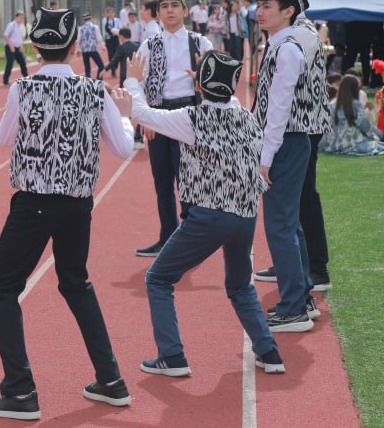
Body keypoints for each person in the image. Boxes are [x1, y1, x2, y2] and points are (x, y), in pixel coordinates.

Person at [0, 8, 134, 420]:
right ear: (74, 48)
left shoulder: (23, 88)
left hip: (33, 203)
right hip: (78, 205)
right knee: (76, 284)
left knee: (2, 290)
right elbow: (123, 149)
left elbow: (4, 137)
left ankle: (20, 391)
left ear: (35, 47)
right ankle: (111, 380)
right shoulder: (95, 90)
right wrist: (125, 116)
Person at [114, 50, 286, 379]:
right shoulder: (248, 118)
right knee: (240, 287)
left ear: (198, 85)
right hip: (245, 215)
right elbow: (223, 104)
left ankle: (172, 356)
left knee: (158, 279)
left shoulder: (191, 118)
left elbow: (142, 113)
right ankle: (269, 353)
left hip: (209, 215)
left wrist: (133, 81)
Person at [252, 0, 325, 333]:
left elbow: (279, 108)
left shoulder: (289, 48)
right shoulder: (281, 45)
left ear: (288, 11)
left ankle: (293, 307)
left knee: (280, 226)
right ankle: (302, 297)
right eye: (259, 5)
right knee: (290, 224)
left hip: (287, 142)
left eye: (267, 6)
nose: (260, 12)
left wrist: (265, 159)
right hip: (288, 141)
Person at [133, 0, 213, 257]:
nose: (170, 10)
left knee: (188, 178)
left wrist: (201, 81)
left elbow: (217, 83)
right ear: (157, 13)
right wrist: (145, 117)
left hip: (188, 113)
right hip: (158, 114)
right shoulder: (148, 45)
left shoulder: (200, 43)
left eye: (175, 5)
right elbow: (138, 82)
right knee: (162, 181)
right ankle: (167, 237)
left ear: (185, 11)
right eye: (164, 6)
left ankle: (190, 239)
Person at [320, 74, 384, 156]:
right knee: (381, 139)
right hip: (353, 142)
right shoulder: (355, 105)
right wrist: (374, 138)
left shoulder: (331, 105)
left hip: (334, 144)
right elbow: (365, 126)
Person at [2, 11, 28, 85]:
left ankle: (26, 78)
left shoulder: (21, 26)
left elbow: (20, 37)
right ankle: (5, 81)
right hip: (10, 47)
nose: (21, 19)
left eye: (23, 18)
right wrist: (11, 46)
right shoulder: (11, 25)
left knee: (23, 63)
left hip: (17, 48)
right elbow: (5, 36)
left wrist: (21, 45)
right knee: (10, 64)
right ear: (16, 17)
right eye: (20, 18)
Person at [77, 13, 105, 80]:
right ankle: (98, 80)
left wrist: (78, 49)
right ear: (91, 18)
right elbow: (99, 38)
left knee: (87, 68)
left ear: (84, 20)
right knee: (101, 66)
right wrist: (102, 46)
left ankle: (87, 83)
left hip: (84, 50)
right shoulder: (95, 27)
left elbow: (78, 40)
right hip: (93, 49)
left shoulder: (81, 28)